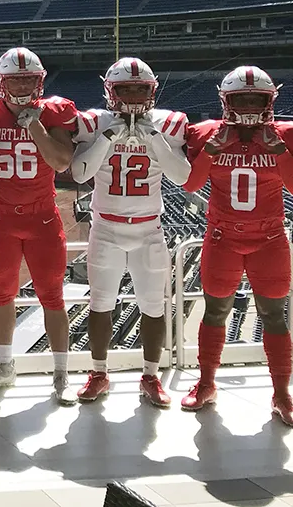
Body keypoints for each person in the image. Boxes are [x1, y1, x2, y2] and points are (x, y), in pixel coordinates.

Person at [69, 58, 190, 407]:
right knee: (100, 305)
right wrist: (109, 137)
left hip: (149, 228)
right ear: (111, 91)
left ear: (152, 91)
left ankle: (151, 376)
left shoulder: (167, 124)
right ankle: (98, 373)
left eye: (141, 89)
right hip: (106, 227)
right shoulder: (95, 123)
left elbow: (181, 176)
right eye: (127, 89)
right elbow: (79, 173)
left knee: (154, 306)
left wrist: (153, 137)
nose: (135, 96)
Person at [181, 66, 293, 424]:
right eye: (241, 98)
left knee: (274, 315)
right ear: (226, 101)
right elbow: (191, 184)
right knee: (215, 312)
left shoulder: (285, 135)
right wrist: (210, 151)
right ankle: (206, 383)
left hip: (270, 239)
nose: (248, 105)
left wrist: (280, 153)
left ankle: (281, 393)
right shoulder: (208, 134)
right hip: (223, 238)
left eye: (255, 99)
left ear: (269, 101)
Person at [0, 47, 79, 404]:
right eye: (14, 79)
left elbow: (62, 159)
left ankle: (61, 373)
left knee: (52, 296)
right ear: (0, 82)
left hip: (43, 216)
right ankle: (4, 366)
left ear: (40, 81)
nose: (21, 87)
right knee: (1, 295)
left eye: (28, 79)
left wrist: (33, 124)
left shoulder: (53, 112)